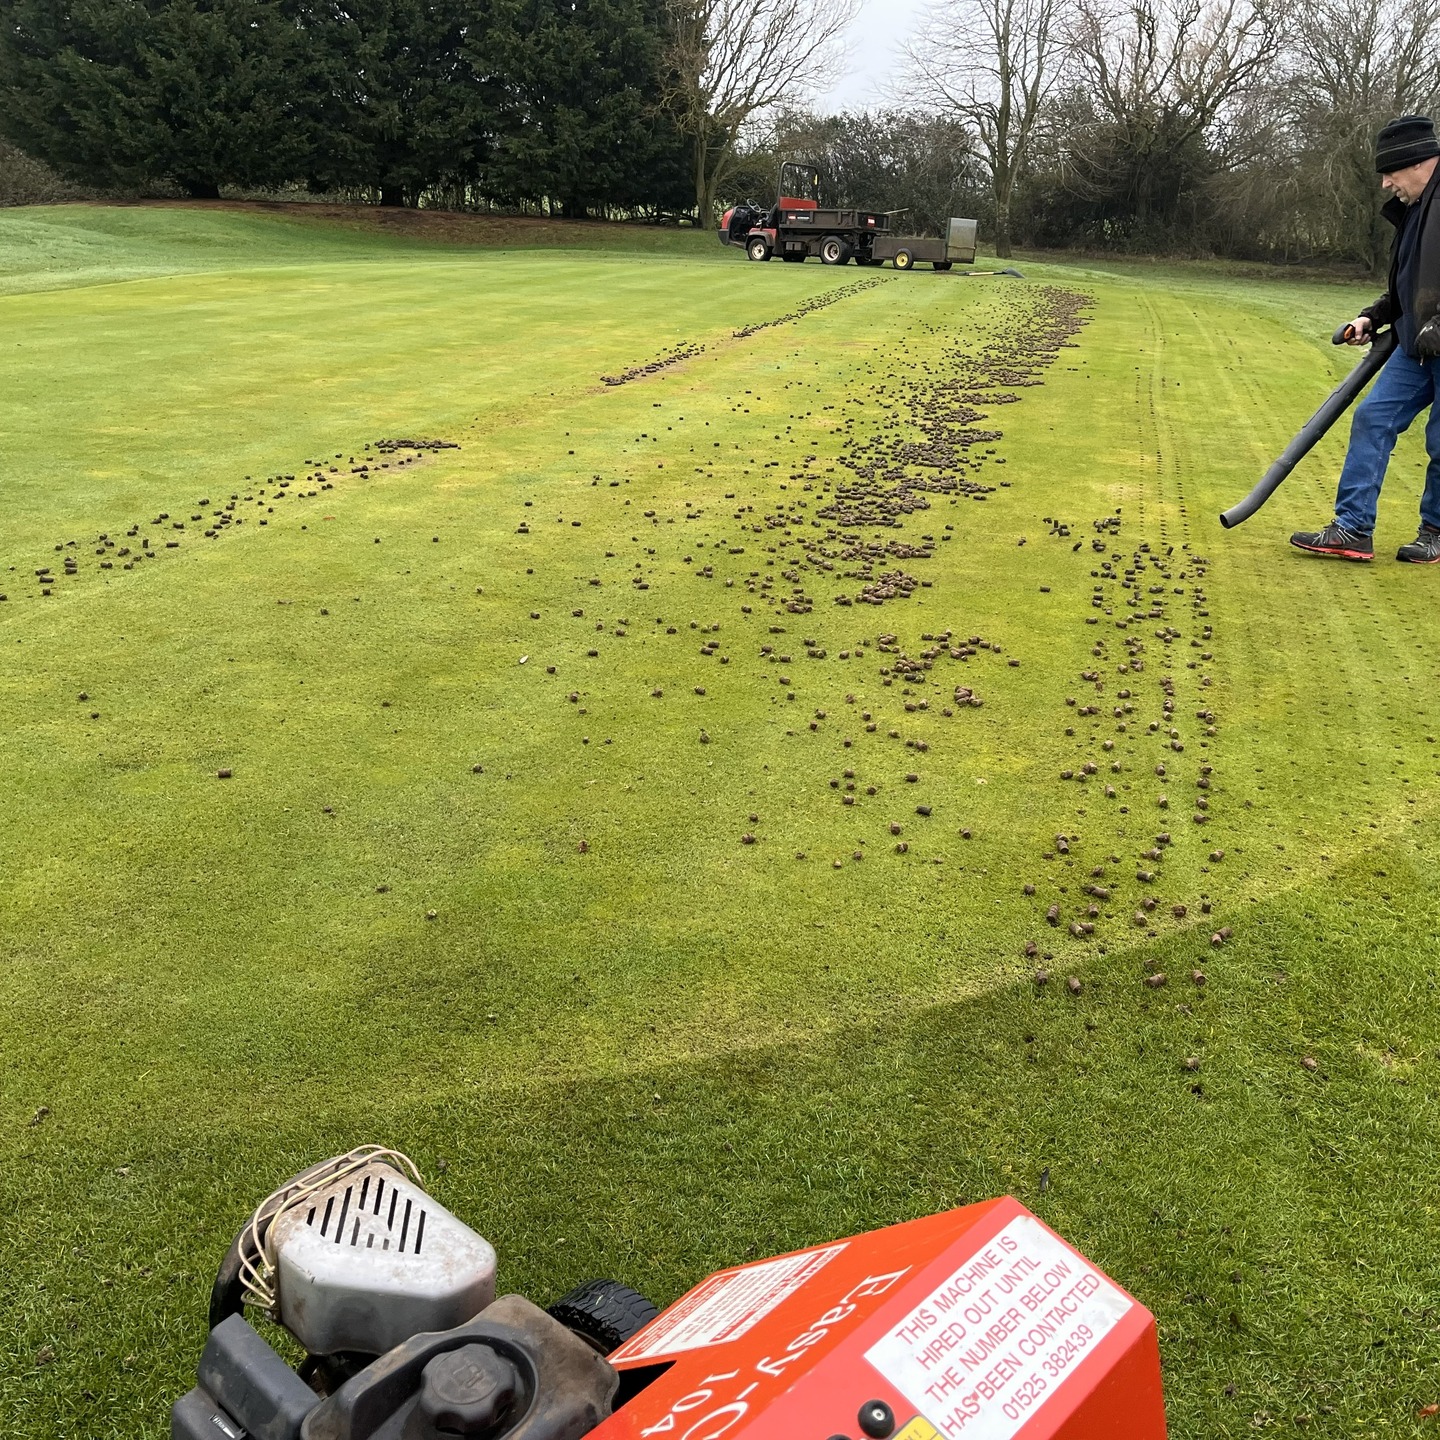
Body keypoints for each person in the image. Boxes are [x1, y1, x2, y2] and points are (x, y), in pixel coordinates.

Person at [1292, 115, 1440, 562]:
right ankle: (1353, 529)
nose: (1384, 185)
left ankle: (1435, 532)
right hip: (1415, 346)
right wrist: (1371, 316)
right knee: (1373, 419)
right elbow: (1410, 283)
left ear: (1416, 163)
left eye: (1389, 173)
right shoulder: (1416, 211)